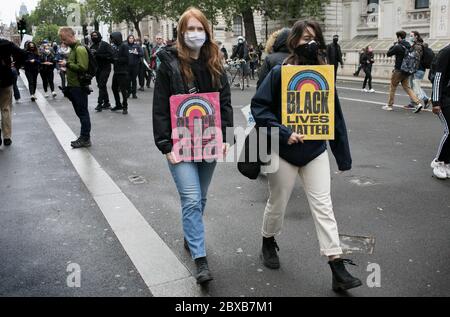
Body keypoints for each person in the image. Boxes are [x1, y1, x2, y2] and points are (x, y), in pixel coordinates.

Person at [250, 20, 362, 292]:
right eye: (304, 38)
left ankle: (337, 266)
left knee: (324, 206)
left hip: (314, 151)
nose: (309, 43)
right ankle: (268, 240)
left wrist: (342, 157)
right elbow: (259, 108)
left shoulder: (324, 75)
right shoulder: (279, 72)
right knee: (277, 204)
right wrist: (283, 132)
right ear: (293, 42)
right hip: (284, 151)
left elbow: (335, 116)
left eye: (313, 38)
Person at [152, 7, 233, 285]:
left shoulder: (215, 61)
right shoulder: (168, 64)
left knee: (202, 197)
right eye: (190, 29)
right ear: (181, 33)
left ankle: (191, 236)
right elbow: (160, 106)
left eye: (200, 29)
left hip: (209, 141)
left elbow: (224, 104)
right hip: (180, 144)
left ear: (207, 32)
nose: (195, 34)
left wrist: (226, 137)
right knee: (191, 198)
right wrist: (165, 144)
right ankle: (200, 259)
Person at [58, 27, 92, 148]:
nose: (63, 42)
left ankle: (85, 138)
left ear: (70, 36)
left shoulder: (79, 49)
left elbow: (82, 67)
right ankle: (83, 137)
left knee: (83, 113)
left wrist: (67, 64)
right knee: (80, 113)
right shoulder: (73, 49)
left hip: (79, 86)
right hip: (74, 86)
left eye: (64, 39)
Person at [383, 30, 422, 112]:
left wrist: (394, 45)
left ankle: (390, 105)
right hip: (407, 70)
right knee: (407, 87)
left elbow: (388, 53)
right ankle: (418, 103)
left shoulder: (398, 46)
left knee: (393, 87)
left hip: (398, 70)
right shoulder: (409, 46)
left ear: (399, 37)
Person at [0, 38, 26, 146]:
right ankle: (7, 136)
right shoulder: (6, 43)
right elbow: (22, 54)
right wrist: (16, 65)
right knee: (6, 108)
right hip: (5, 79)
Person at [430, 43, 450, 180]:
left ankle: (447, 163)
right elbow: (438, 77)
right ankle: (438, 161)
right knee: (449, 131)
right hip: (444, 98)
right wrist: (436, 102)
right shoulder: (446, 52)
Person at [407, 38, 434, 109]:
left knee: (415, 87)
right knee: (416, 86)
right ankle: (421, 101)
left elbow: (415, 59)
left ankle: (424, 99)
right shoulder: (425, 49)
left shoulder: (418, 48)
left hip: (418, 70)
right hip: (422, 70)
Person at [90, 31, 114, 112]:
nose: (94, 37)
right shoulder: (92, 46)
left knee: (102, 84)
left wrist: (98, 54)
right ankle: (107, 103)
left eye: (95, 35)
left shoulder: (105, 44)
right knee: (101, 86)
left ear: (99, 36)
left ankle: (100, 103)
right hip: (98, 69)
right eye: (92, 36)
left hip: (106, 68)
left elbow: (111, 56)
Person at [110, 32, 129, 114]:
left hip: (123, 72)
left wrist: (116, 59)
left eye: (113, 38)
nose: (112, 40)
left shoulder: (124, 46)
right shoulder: (115, 47)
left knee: (123, 90)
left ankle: (125, 106)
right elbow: (113, 57)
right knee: (114, 87)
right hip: (116, 71)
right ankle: (118, 104)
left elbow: (126, 59)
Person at [126, 35, 143, 99]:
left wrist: (137, 53)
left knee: (134, 80)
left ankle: (134, 93)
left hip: (135, 66)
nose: (131, 39)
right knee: (127, 80)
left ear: (134, 39)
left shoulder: (137, 46)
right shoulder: (125, 46)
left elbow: (142, 54)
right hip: (127, 66)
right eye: (130, 38)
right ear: (128, 39)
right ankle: (128, 92)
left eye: (132, 38)